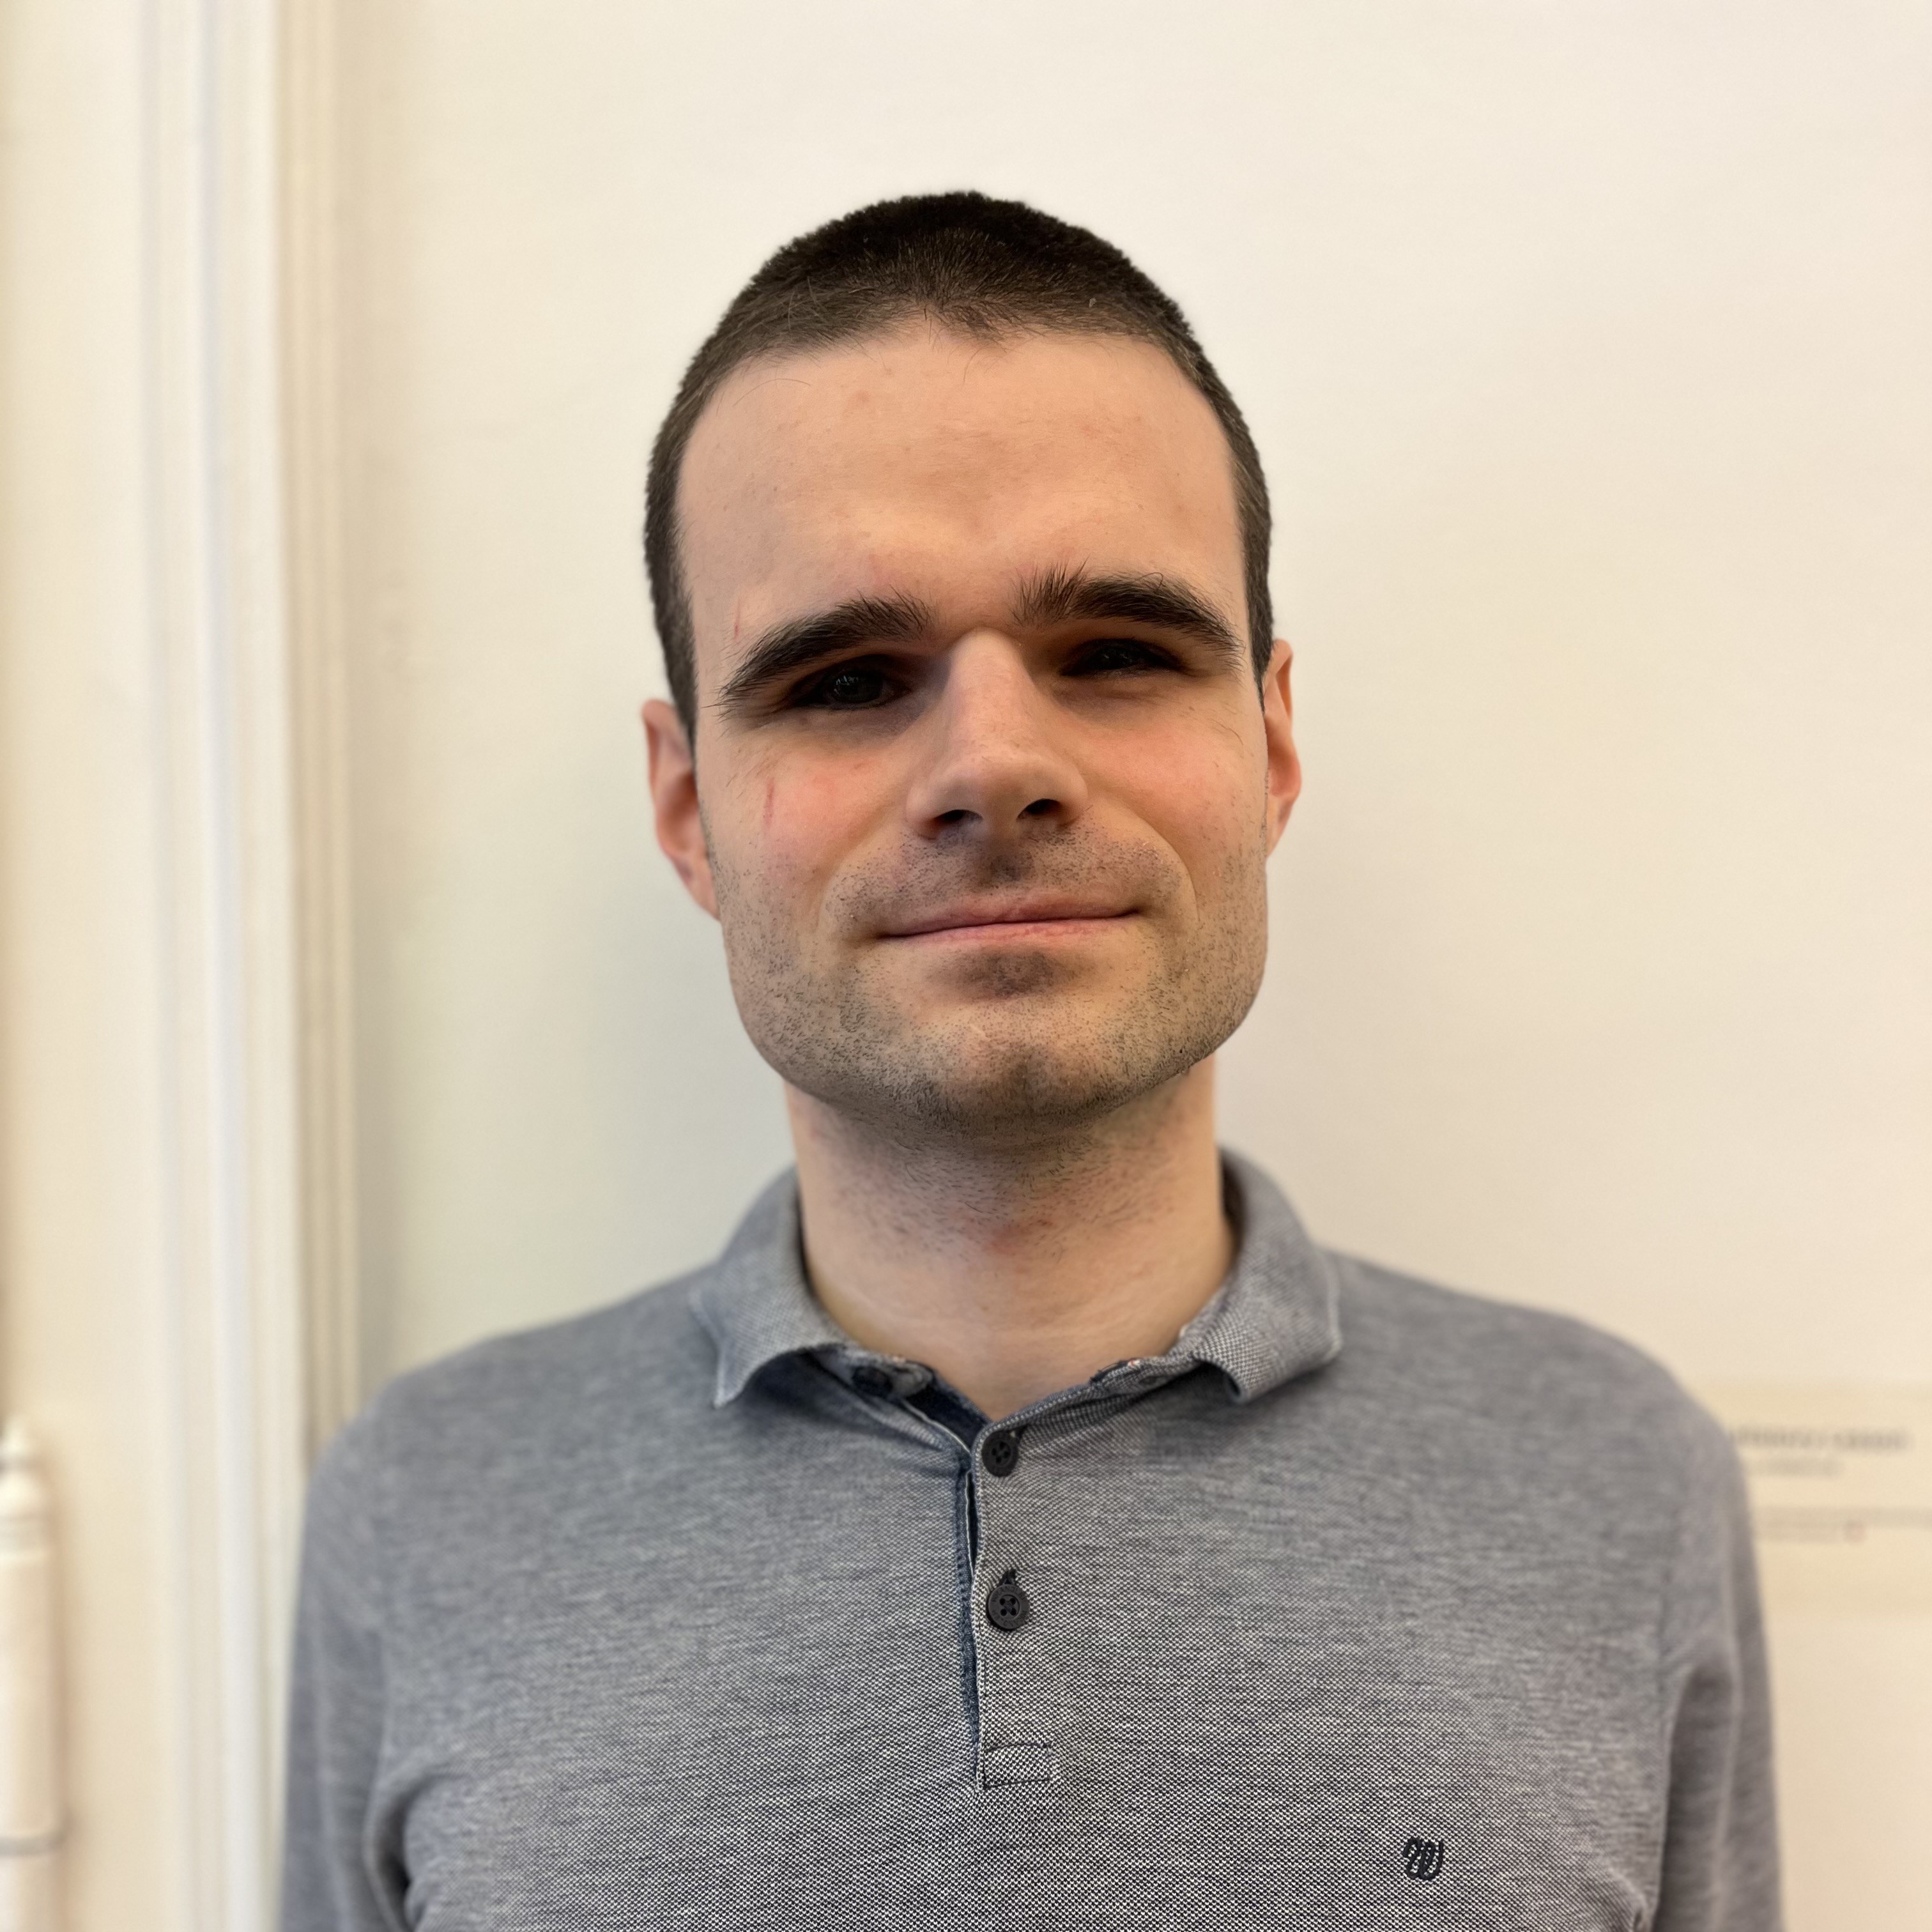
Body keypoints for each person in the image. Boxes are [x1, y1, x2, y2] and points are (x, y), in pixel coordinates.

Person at [280, 192, 1781, 1931]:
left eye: (1118, 654)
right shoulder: (426, 1506)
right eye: (849, 678)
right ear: (688, 808)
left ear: (1271, 747)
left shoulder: (1617, 1481)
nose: (994, 763)